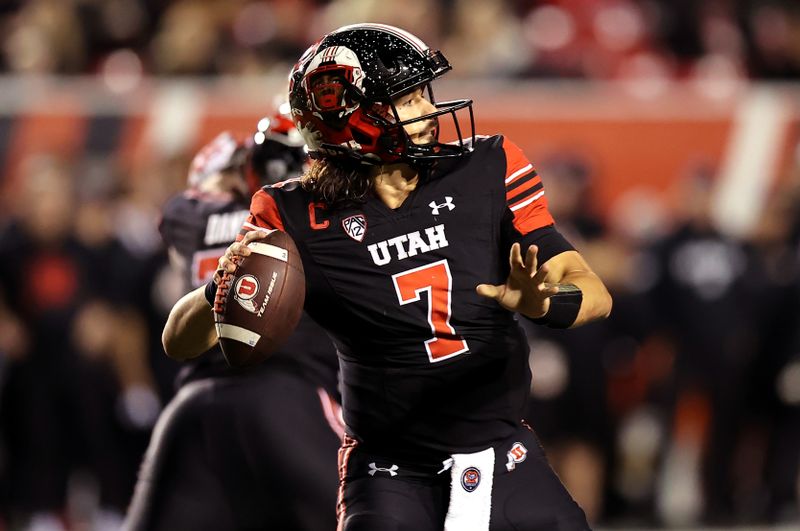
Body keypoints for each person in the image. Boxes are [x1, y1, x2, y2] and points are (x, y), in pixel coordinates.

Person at [167, 23, 612, 531]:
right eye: (407, 99)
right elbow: (179, 340)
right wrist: (223, 288)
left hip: (499, 447)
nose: (428, 111)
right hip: (389, 468)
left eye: (424, 93)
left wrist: (544, 303)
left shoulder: (485, 168)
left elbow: (595, 293)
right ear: (349, 118)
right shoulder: (291, 214)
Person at [124, 112, 342, 531]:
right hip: (290, 398)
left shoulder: (187, 215)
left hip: (195, 403)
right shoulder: (315, 217)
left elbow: (195, 198)